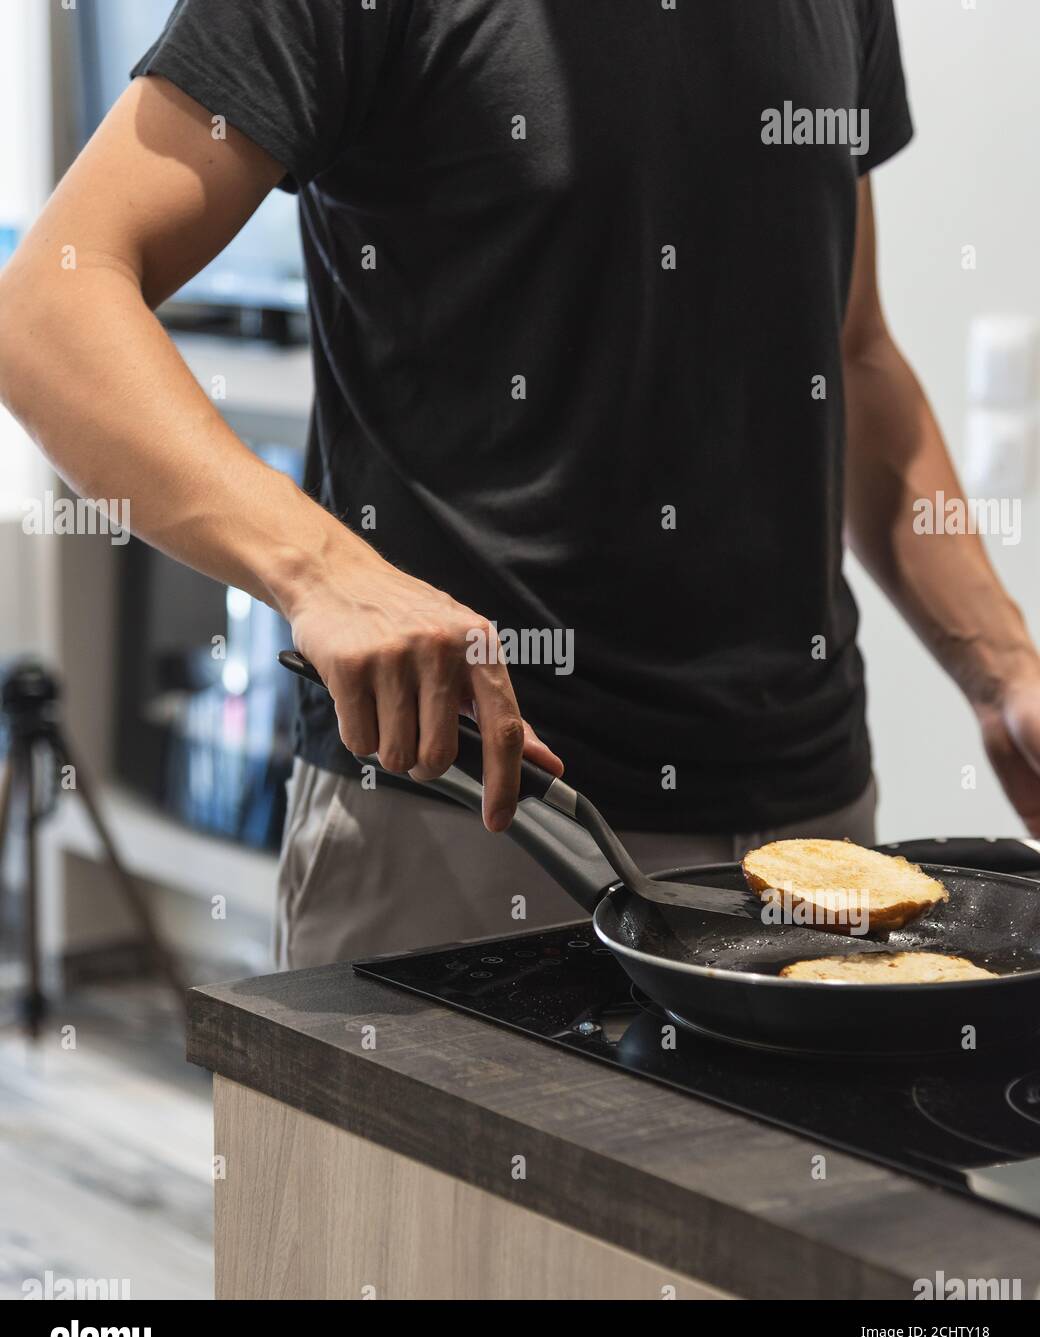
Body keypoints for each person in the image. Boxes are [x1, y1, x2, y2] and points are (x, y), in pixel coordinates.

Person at [1, 1, 1038, 969]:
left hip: (815, 824)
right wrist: (320, 567)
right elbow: (49, 307)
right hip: (470, 823)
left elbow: (850, 351)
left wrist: (1001, 673)